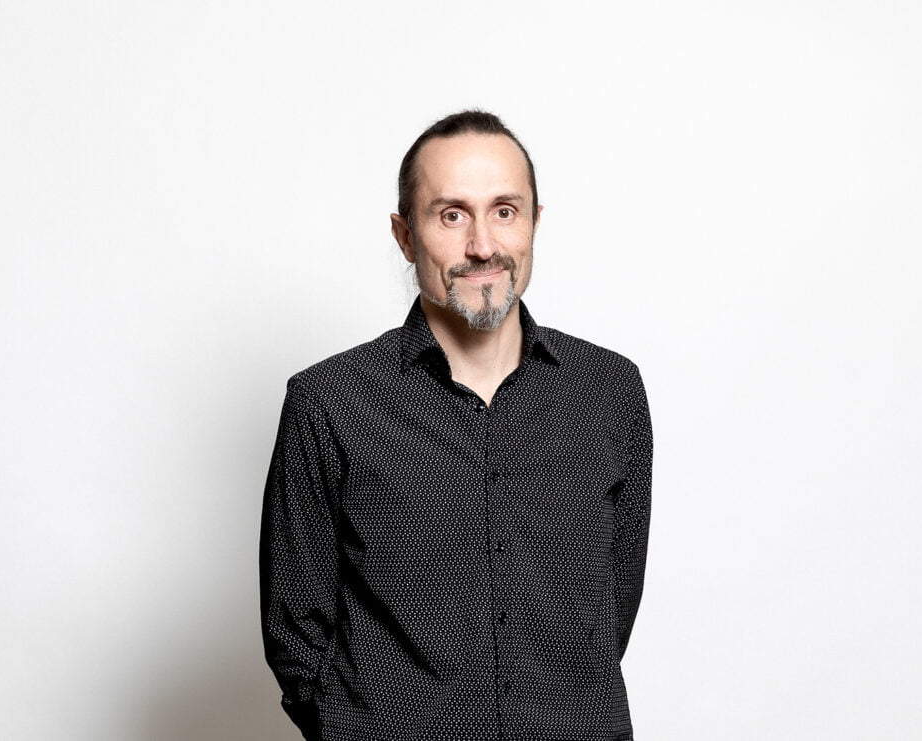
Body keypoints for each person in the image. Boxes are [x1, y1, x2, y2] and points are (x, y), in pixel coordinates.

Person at [259, 109, 654, 741]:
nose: (483, 246)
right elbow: (296, 634)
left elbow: (614, 610)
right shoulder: (329, 403)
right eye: (451, 215)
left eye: (505, 211)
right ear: (405, 235)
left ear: (534, 222)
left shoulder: (609, 392)